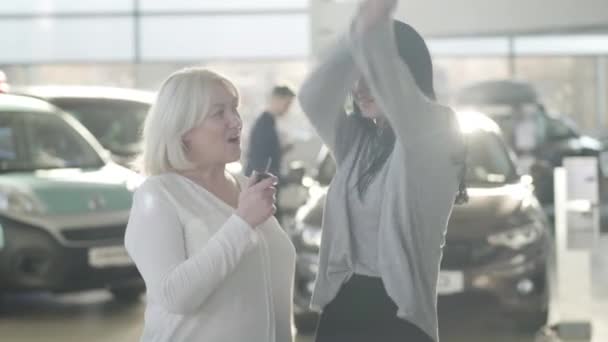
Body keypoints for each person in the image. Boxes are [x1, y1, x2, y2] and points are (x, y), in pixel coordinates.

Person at [298, 1, 467, 341]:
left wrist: (373, 34)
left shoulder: (436, 130)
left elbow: (396, 90)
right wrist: (353, 39)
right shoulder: (360, 143)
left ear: (407, 72)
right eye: (355, 76)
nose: (359, 87)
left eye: (369, 74)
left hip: (397, 317)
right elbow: (312, 98)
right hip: (342, 307)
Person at [124, 67, 296, 342]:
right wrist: (241, 223)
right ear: (182, 130)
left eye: (234, 109)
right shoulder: (157, 195)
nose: (236, 122)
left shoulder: (244, 186)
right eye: (219, 113)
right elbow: (174, 296)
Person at [245, 85, 296, 179]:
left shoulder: (269, 123)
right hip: (258, 183)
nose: (288, 109)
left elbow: (267, 154)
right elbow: (259, 162)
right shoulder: (264, 126)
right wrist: (285, 179)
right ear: (276, 100)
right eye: (287, 104)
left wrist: (281, 150)